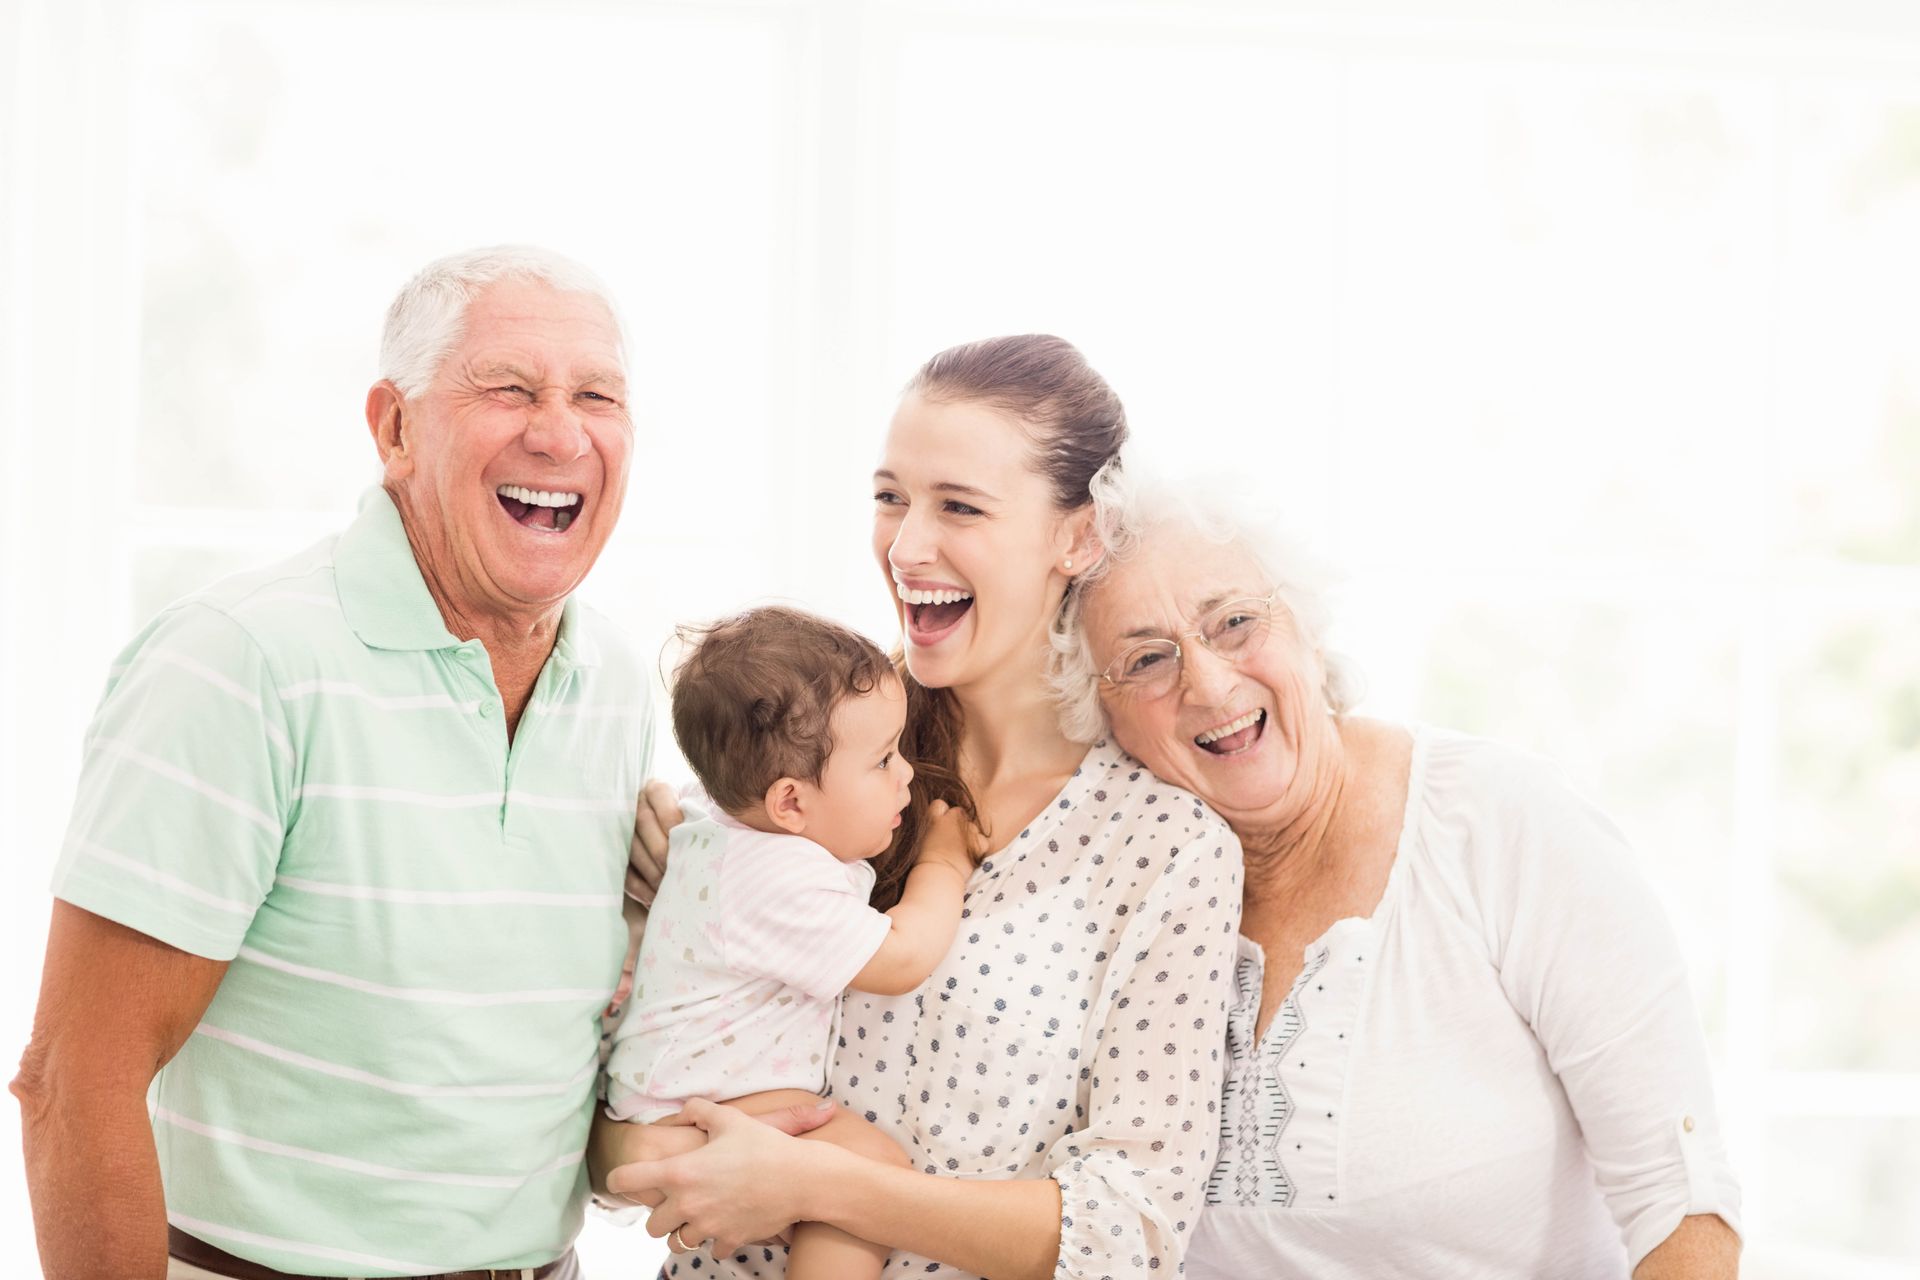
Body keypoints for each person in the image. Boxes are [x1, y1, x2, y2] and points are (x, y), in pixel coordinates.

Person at [13, 245, 656, 1279]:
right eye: (510, 389)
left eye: (598, 395)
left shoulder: (618, 684)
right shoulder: (240, 660)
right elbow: (72, 1078)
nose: (560, 430)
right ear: (395, 428)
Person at [590, 336, 1244, 1280]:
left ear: (1078, 535)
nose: (904, 546)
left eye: (960, 507)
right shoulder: (789, 777)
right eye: (890, 497)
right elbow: (613, 1138)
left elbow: (1128, 1235)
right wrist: (642, 1150)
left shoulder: (1164, 850)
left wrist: (817, 1185)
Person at [1051, 472, 1744, 1279]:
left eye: (1235, 622)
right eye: (1145, 660)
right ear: (1104, 721)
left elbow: (1683, 1209)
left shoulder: (1502, 823)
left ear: (1305, 628)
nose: (1207, 683)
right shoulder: (1117, 895)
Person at [605, 605, 976, 1280]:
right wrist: (944, 866)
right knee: (867, 1172)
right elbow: (902, 959)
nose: (907, 776)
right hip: (693, 1105)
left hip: (670, 1092)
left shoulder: (720, 819)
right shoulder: (778, 874)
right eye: (884, 760)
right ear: (790, 804)